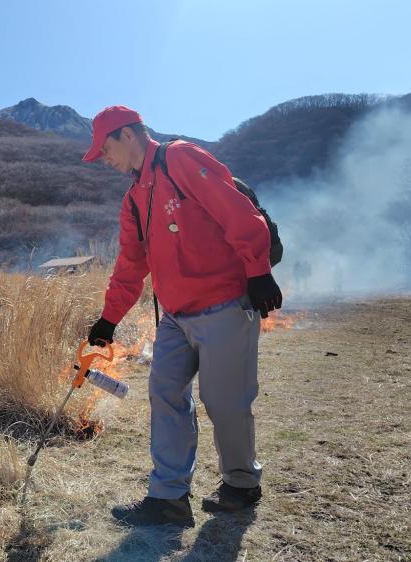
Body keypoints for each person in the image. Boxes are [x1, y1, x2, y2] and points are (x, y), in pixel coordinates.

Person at [83, 106, 282, 528]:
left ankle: (241, 484)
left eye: (105, 149)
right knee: (165, 393)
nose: (104, 159)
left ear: (127, 135)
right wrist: (109, 319)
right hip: (175, 317)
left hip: (225, 304)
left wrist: (259, 270)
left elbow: (235, 212)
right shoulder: (134, 199)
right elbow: (130, 264)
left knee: (225, 401)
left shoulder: (180, 159)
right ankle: (169, 498)